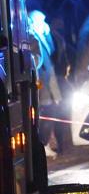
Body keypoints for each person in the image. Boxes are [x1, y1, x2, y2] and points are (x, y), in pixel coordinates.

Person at [27, 10, 63, 158]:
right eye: (41, 21)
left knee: (48, 115)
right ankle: (43, 145)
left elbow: (49, 68)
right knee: (44, 117)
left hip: (47, 87)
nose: (44, 24)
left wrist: (56, 95)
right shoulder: (32, 39)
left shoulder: (41, 38)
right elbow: (38, 64)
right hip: (41, 87)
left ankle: (45, 144)